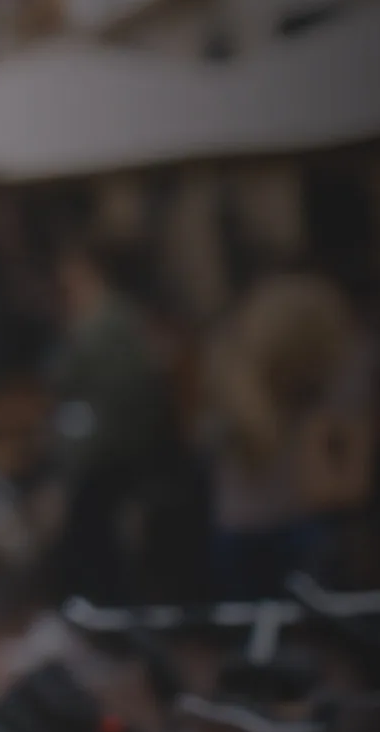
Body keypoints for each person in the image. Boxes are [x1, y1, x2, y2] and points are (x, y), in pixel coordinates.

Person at [204, 271, 374, 600]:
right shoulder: (327, 396)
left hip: (234, 537)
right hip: (300, 542)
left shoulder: (232, 384)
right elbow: (333, 492)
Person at [44, 238, 173, 604]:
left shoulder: (103, 323)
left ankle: (105, 629)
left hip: (105, 452)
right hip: (111, 447)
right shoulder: (109, 318)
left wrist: (76, 456)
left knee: (93, 544)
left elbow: (90, 392)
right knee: (96, 543)